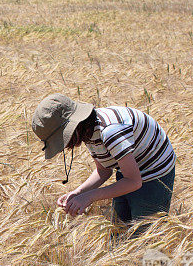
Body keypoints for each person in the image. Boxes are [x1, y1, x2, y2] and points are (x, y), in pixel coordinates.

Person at [31, 93, 176, 238]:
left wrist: (90, 197)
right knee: (119, 229)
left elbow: (133, 181)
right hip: (129, 169)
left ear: (73, 127)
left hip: (155, 172)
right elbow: (103, 171)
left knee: (144, 235)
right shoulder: (87, 130)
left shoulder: (110, 132)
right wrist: (79, 193)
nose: (63, 146)